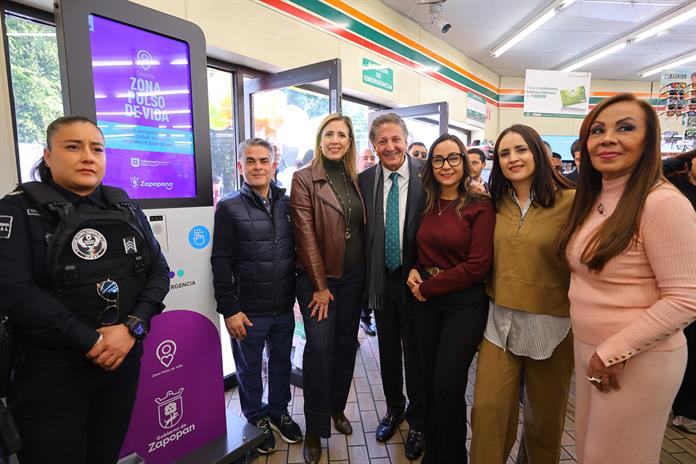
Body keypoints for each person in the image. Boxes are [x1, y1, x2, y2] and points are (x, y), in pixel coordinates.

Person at [0, 115, 170, 464]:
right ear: (48, 155)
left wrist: (132, 327)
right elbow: (15, 292)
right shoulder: (16, 210)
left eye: (97, 149)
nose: (88, 157)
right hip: (50, 372)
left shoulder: (126, 208)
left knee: (104, 454)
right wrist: (90, 341)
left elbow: (158, 273)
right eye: (73, 147)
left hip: (121, 360)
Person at [557, 93, 696, 463]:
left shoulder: (663, 203)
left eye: (625, 128)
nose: (608, 139)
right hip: (592, 351)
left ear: (649, 141)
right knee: (591, 453)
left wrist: (613, 351)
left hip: (637, 358)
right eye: (597, 130)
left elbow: (686, 298)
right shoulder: (595, 198)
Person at [470, 124, 576, 464]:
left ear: (538, 153)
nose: (513, 158)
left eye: (521, 149)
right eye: (504, 153)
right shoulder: (493, 203)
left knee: (544, 419)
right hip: (499, 322)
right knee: (487, 411)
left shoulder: (573, 201)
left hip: (553, 324)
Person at [407, 134, 494, 464]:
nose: (446, 165)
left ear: (464, 162)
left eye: (453, 158)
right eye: (438, 159)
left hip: (463, 304)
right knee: (428, 382)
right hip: (427, 303)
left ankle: (454, 457)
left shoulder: (480, 205)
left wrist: (427, 287)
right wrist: (414, 269)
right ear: (430, 165)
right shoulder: (427, 201)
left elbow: (477, 266)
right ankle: (434, 453)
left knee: (448, 385)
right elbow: (423, 246)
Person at [211, 138, 302, 455]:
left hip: (283, 306)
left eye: (264, 160)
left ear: (274, 165)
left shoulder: (287, 204)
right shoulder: (229, 208)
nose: (258, 167)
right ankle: (256, 417)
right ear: (240, 166)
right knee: (249, 370)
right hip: (248, 310)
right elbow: (220, 261)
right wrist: (229, 309)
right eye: (250, 161)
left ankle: (278, 411)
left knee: (280, 364)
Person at [291, 113, 366, 464]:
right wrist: (320, 287)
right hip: (318, 281)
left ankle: (337, 408)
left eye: (342, 135)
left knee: (345, 345)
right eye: (329, 134)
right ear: (320, 139)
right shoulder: (304, 178)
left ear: (349, 142)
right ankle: (314, 427)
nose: (336, 140)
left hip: (354, 279)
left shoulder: (356, 179)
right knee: (319, 350)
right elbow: (304, 233)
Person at [359, 113, 426, 460]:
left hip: (416, 278)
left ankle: (418, 421)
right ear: (373, 145)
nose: (390, 147)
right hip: (380, 279)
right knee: (387, 351)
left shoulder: (427, 174)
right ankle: (393, 409)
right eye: (382, 141)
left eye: (396, 139)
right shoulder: (364, 179)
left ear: (406, 139)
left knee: (415, 354)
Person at [662, 149, 696, 434]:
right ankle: (682, 409)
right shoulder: (673, 188)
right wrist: (676, 162)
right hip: (677, 282)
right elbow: (651, 173)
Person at [357, 147, 377, 336]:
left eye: (372, 157)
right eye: (365, 158)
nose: (369, 161)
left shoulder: (379, 183)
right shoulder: (352, 184)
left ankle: (366, 318)